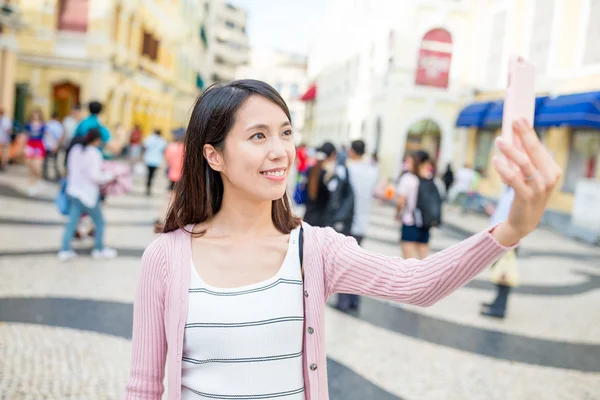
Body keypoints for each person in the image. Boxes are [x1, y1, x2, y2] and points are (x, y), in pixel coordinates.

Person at [124, 80, 562, 400]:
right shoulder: (167, 257)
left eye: (286, 132)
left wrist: (511, 229)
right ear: (213, 154)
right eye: (258, 135)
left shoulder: (313, 249)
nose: (280, 150)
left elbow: (419, 283)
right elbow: (143, 385)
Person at [58, 128, 118, 261]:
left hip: (73, 190)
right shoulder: (94, 153)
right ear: (97, 140)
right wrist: (110, 176)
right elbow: (95, 176)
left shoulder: (76, 150)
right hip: (87, 194)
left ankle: (64, 249)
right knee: (100, 221)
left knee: (72, 221)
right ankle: (99, 249)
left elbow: (70, 168)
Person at [336, 139, 379, 312]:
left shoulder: (345, 170)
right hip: (363, 223)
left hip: (347, 222)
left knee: (344, 263)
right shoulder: (373, 171)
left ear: (351, 152)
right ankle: (355, 299)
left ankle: (343, 301)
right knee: (356, 263)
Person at [481, 186, 517, 319]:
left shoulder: (517, 191)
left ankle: (499, 308)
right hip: (498, 236)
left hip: (508, 239)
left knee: (504, 273)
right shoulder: (508, 190)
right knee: (498, 271)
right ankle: (496, 302)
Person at [395, 151, 435, 260]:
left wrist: (397, 214)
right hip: (425, 222)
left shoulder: (408, 178)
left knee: (408, 260)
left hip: (410, 221)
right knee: (423, 260)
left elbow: (401, 201)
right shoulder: (429, 177)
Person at [154, 131, 185, 232]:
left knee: (169, 198)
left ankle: (160, 216)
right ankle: (174, 218)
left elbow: (167, 160)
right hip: (183, 177)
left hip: (172, 176)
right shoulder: (187, 149)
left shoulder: (171, 147)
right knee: (179, 200)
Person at [24, 108, 46, 196]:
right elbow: (25, 136)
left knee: (37, 166)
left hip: (39, 146)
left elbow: (47, 136)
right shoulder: (28, 125)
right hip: (30, 145)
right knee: (30, 167)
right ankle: (31, 186)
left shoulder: (43, 125)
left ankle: (40, 180)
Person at [143, 128, 167, 196]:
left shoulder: (149, 138)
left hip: (148, 159)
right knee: (152, 174)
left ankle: (148, 185)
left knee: (149, 174)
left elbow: (145, 147)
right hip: (157, 160)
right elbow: (164, 150)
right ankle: (149, 185)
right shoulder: (162, 140)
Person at [43, 111, 64, 181]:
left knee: (46, 161)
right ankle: (56, 176)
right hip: (55, 145)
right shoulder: (59, 125)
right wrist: (57, 145)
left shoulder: (48, 124)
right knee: (55, 162)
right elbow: (61, 137)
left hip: (47, 146)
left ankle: (45, 175)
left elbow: (45, 135)